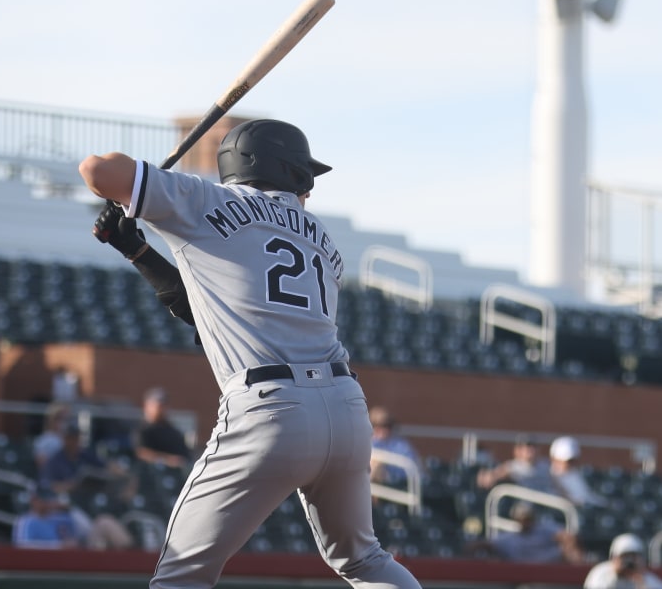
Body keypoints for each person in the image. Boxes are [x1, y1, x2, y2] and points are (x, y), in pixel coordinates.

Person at [79, 118, 421, 588]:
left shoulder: (206, 200)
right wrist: (136, 247)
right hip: (345, 407)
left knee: (181, 575)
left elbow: (96, 169)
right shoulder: (321, 241)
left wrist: (139, 193)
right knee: (364, 560)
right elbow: (211, 309)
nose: (309, 189)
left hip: (271, 407)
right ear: (290, 172)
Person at [465, 502, 582, 564]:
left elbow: (568, 537)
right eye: (522, 518)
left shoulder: (544, 530)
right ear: (516, 519)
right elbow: (482, 545)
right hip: (520, 576)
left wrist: (569, 549)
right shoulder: (508, 538)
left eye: (528, 518)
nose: (526, 521)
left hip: (549, 572)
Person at [583, 532, 662, 589]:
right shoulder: (600, 572)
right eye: (624, 557)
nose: (629, 562)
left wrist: (641, 582)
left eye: (633, 557)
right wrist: (616, 576)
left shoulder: (647, 578)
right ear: (614, 557)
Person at [135, 388, 191, 468]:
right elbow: (140, 453)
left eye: (164, 405)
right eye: (157, 405)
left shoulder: (173, 432)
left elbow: (184, 455)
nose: (160, 409)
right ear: (147, 405)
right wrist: (166, 460)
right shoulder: (142, 430)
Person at [477, 435, 554, 493]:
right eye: (526, 447)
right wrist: (492, 476)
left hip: (547, 501)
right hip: (527, 501)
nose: (530, 451)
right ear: (518, 450)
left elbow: (557, 482)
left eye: (532, 446)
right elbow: (501, 471)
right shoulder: (515, 466)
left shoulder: (545, 465)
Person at [12, 489, 83, 550]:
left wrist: (70, 508)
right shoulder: (25, 521)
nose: (46, 502)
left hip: (63, 562)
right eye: (41, 499)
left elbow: (82, 538)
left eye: (48, 499)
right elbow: (23, 547)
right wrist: (58, 546)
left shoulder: (63, 518)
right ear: (33, 500)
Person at [548, 436, 606, 508]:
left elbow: (587, 496)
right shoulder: (549, 475)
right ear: (554, 458)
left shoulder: (576, 474)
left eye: (572, 461)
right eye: (567, 461)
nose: (569, 464)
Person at [369, 407, 419, 486]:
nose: (382, 429)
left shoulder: (401, 446)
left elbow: (410, 470)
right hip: (370, 488)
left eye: (386, 425)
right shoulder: (365, 444)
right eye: (376, 424)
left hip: (397, 487)